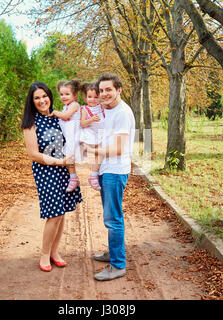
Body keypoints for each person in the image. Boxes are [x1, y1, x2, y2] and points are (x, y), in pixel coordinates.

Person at [22, 81, 83, 272]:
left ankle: (55, 252)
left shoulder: (58, 117)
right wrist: (60, 162)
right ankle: (44, 254)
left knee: (62, 211)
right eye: (37, 98)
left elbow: (73, 133)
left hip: (64, 169)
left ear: (50, 96)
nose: (42, 100)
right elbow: (34, 155)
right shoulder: (30, 124)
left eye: (44, 96)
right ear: (32, 102)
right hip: (46, 170)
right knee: (54, 214)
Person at [86, 73, 135, 281]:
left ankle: (118, 265)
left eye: (109, 90)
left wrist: (94, 151)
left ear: (119, 90)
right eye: (102, 90)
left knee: (113, 218)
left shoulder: (122, 113)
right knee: (111, 216)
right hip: (107, 170)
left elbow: (118, 148)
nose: (104, 94)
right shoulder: (108, 111)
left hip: (115, 171)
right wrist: (96, 169)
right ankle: (113, 253)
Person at [50, 79, 83, 192]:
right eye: (61, 94)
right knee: (68, 158)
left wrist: (54, 112)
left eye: (67, 94)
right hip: (68, 136)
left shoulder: (74, 105)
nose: (63, 97)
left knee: (69, 157)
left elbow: (66, 116)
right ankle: (73, 178)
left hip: (74, 136)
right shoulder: (66, 106)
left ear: (74, 95)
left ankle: (74, 179)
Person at [79, 82, 105, 191]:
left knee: (99, 154)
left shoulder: (102, 107)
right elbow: (82, 123)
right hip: (89, 132)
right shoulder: (85, 109)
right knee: (89, 151)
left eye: (95, 97)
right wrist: (91, 119)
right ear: (85, 98)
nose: (93, 100)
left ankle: (94, 175)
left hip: (100, 133)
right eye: (90, 97)